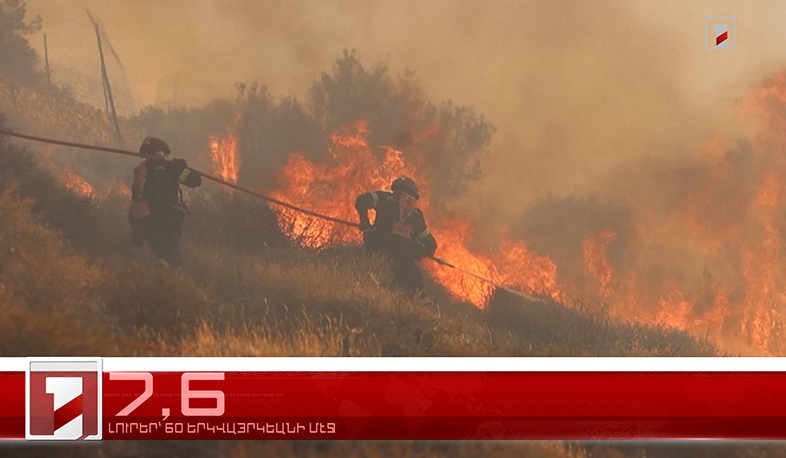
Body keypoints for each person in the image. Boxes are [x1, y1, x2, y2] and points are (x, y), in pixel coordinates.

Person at [354, 176, 437, 296]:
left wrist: (365, 222)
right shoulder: (416, 215)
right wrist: (420, 252)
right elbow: (430, 244)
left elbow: (361, 200)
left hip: (378, 255)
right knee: (415, 294)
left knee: (373, 289)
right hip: (404, 265)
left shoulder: (384, 198)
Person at [128, 137, 201, 268]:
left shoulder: (141, 170)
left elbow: (135, 200)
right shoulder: (171, 168)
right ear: (161, 153)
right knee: (170, 256)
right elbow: (195, 180)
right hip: (167, 217)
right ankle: (165, 278)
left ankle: (155, 277)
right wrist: (183, 168)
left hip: (143, 220)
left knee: (159, 250)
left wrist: (135, 228)